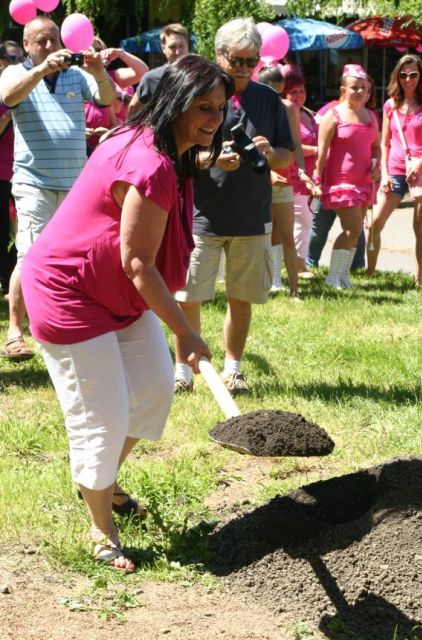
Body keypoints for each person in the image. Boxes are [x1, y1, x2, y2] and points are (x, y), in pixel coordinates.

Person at [20, 54, 233, 571]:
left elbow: (135, 265)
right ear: (174, 103)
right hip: (68, 294)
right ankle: (101, 527)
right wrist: (184, 332)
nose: (214, 119)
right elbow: (138, 262)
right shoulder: (149, 162)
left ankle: (101, 483)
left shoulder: (165, 147)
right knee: (101, 415)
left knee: (154, 389)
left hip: (115, 293)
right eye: (202, 107)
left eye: (220, 108)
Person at [174, 18, 294, 396]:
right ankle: (183, 370)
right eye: (236, 60)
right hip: (202, 214)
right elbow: (174, 156)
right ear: (219, 55)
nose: (243, 68)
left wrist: (267, 151)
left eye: (251, 61)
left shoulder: (268, 99)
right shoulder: (196, 94)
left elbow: (286, 157)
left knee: (241, 298)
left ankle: (233, 369)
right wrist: (211, 160)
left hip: (250, 216)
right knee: (189, 295)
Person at [0, 16, 116, 360]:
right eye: (41, 42)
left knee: (76, 256)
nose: (51, 47)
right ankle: (15, 331)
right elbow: (8, 97)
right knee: (30, 254)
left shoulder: (75, 74)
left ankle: (66, 321)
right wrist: (40, 71)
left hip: (75, 184)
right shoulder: (15, 72)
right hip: (33, 181)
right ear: (26, 46)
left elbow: (107, 100)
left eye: (54, 39)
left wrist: (98, 71)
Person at [314, 64, 380, 289]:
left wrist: (376, 163)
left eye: (364, 88)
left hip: (364, 181)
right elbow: (321, 152)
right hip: (341, 181)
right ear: (343, 89)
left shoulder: (370, 115)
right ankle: (333, 277)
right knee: (352, 229)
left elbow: (377, 146)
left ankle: (342, 276)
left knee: (356, 230)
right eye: (355, 88)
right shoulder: (333, 116)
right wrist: (316, 180)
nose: (360, 92)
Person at [367, 54, 422, 287]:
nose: (408, 79)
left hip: (421, 171)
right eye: (403, 75)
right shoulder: (391, 104)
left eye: (413, 74)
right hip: (395, 170)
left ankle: (417, 279)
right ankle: (370, 274)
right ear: (397, 76)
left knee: (420, 228)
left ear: (420, 76)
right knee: (374, 224)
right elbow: (384, 142)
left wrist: (421, 161)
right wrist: (385, 174)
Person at [258, 65, 311, 297]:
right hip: (258, 180)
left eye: (279, 91)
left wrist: (301, 170)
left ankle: (294, 289)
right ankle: (271, 281)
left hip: (285, 178)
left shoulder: (288, 107)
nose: (275, 96)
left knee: (287, 234)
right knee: (266, 233)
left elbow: (295, 143)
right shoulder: (255, 107)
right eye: (271, 90)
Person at [283, 72, 319, 278]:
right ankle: (297, 266)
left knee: (306, 222)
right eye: (293, 92)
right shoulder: (287, 114)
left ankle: (300, 263)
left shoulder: (308, 113)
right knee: (301, 222)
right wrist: (317, 150)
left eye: (301, 91)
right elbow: (293, 144)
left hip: (310, 175)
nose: (298, 95)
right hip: (294, 174)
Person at [0, 41, 23, 298]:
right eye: (12, 59)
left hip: (22, 171)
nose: (17, 64)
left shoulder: (26, 86)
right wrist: (9, 107)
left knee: (23, 234)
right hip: (1, 173)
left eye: (20, 58)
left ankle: (10, 280)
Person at [127, 23, 189, 118]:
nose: (177, 52)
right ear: (163, 48)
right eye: (172, 47)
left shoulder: (199, 76)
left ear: (187, 46)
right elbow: (133, 110)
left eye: (181, 46)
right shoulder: (151, 78)